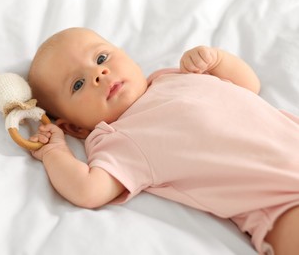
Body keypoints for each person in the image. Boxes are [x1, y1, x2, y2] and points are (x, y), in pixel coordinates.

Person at [27, 27, 299, 255]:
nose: (99, 74)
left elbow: (248, 86)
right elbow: (89, 190)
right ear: (74, 127)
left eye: (101, 58)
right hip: (278, 205)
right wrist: (55, 151)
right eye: (78, 84)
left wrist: (217, 60)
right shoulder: (117, 137)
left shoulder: (171, 76)